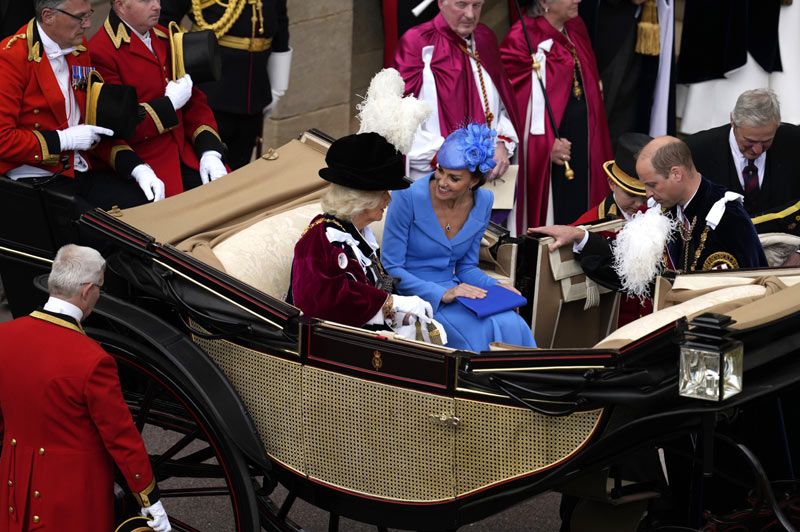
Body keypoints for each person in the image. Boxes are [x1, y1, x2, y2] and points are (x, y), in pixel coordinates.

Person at [0, 244, 170, 532]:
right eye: (100, 288)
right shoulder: (92, 359)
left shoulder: (5, 336)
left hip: (16, 483)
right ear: (88, 289)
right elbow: (121, 437)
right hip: (74, 495)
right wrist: (149, 498)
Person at [532, 136, 768, 293]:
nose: (649, 196)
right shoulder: (667, 208)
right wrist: (578, 235)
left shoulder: (727, 216)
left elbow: (742, 295)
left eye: (652, 185)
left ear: (676, 174)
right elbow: (631, 267)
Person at [382, 124, 536, 351]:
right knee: (482, 332)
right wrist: (443, 293)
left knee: (513, 323)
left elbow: (467, 267)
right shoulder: (406, 197)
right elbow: (392, 268)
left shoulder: (483, 201)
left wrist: (496, 288)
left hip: (458, 292)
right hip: (416, 299)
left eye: (454, 178)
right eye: (440, 170)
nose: (442, 182)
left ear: (473, 181)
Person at [0, 0, 155, 209]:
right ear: (48, 16)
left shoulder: (79, 48)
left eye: (89, 14)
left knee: (145, 206)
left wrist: (135, 166)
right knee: (111, 234)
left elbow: (92, 122)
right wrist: (64, 140)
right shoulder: (10, 57)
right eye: (80, 17)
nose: (88, 24)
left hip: (79, 169)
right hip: (36, 178)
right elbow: (3, 139)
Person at [290, 132, 435, 332]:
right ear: (360, 198)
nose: (389, 200)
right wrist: (391, 304)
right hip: (329, 344)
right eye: (383, 193)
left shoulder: (359, 232)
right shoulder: (320, 239)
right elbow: (323, 303)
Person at [89, 0, 228, 199]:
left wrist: (210, 151)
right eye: (146, 1)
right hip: (149, 165)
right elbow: (116, 128)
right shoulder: (101, 52)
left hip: (188, 155)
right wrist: (169, 105)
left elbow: (195, 103)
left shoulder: (165, 36)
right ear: (120, 5)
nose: (157, 6)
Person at [501, 0, 613, 231]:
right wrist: (544, 146)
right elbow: (514, 107)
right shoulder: (521, 38)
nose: (578, 0)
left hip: (584, 144)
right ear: (544, 2)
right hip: (554, 156)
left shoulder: (576, 28)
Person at [393, 0, 521, 183]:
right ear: (441, 3)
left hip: (487, 175)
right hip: (435, 177)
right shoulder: (417, 42)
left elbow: (502, 104)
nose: (470, 14)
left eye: (476, 6)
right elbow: (400, 118)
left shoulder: (485, 38)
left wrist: (501, 143)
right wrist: (446, 158)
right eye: (461, 4)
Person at [158, 0, 291, 169]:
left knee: (239, 172)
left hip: (253, 97)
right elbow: (163, 23)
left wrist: (277, 87)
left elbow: (280, 28)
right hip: (209, 94)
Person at [685, 89, 800, 222]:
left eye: (767, 141)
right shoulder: (695, 150)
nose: (757, 150)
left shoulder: (795, 141)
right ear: (733, 121)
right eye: (749, 141)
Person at [572, 131, 650, 226]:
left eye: (644, 196)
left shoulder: (658, 215)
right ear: (612, 183)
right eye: (631, 195)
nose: (639, 204)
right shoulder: (587, 225)